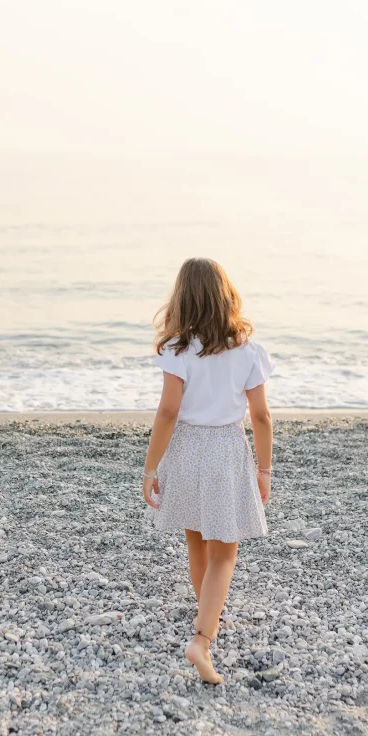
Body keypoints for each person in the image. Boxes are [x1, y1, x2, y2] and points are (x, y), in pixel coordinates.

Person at [142, 257, 274, 684]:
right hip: (224, 449)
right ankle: (202, 639)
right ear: (225, 296)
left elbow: (167, 412)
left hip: (185, 448)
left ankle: (207, 614)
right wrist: (265, 469)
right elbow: (261, 417)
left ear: (182, 299)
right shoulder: (247, 351)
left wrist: (150, 468)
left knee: (197, 540)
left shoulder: (178, 349)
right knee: (225, 553)